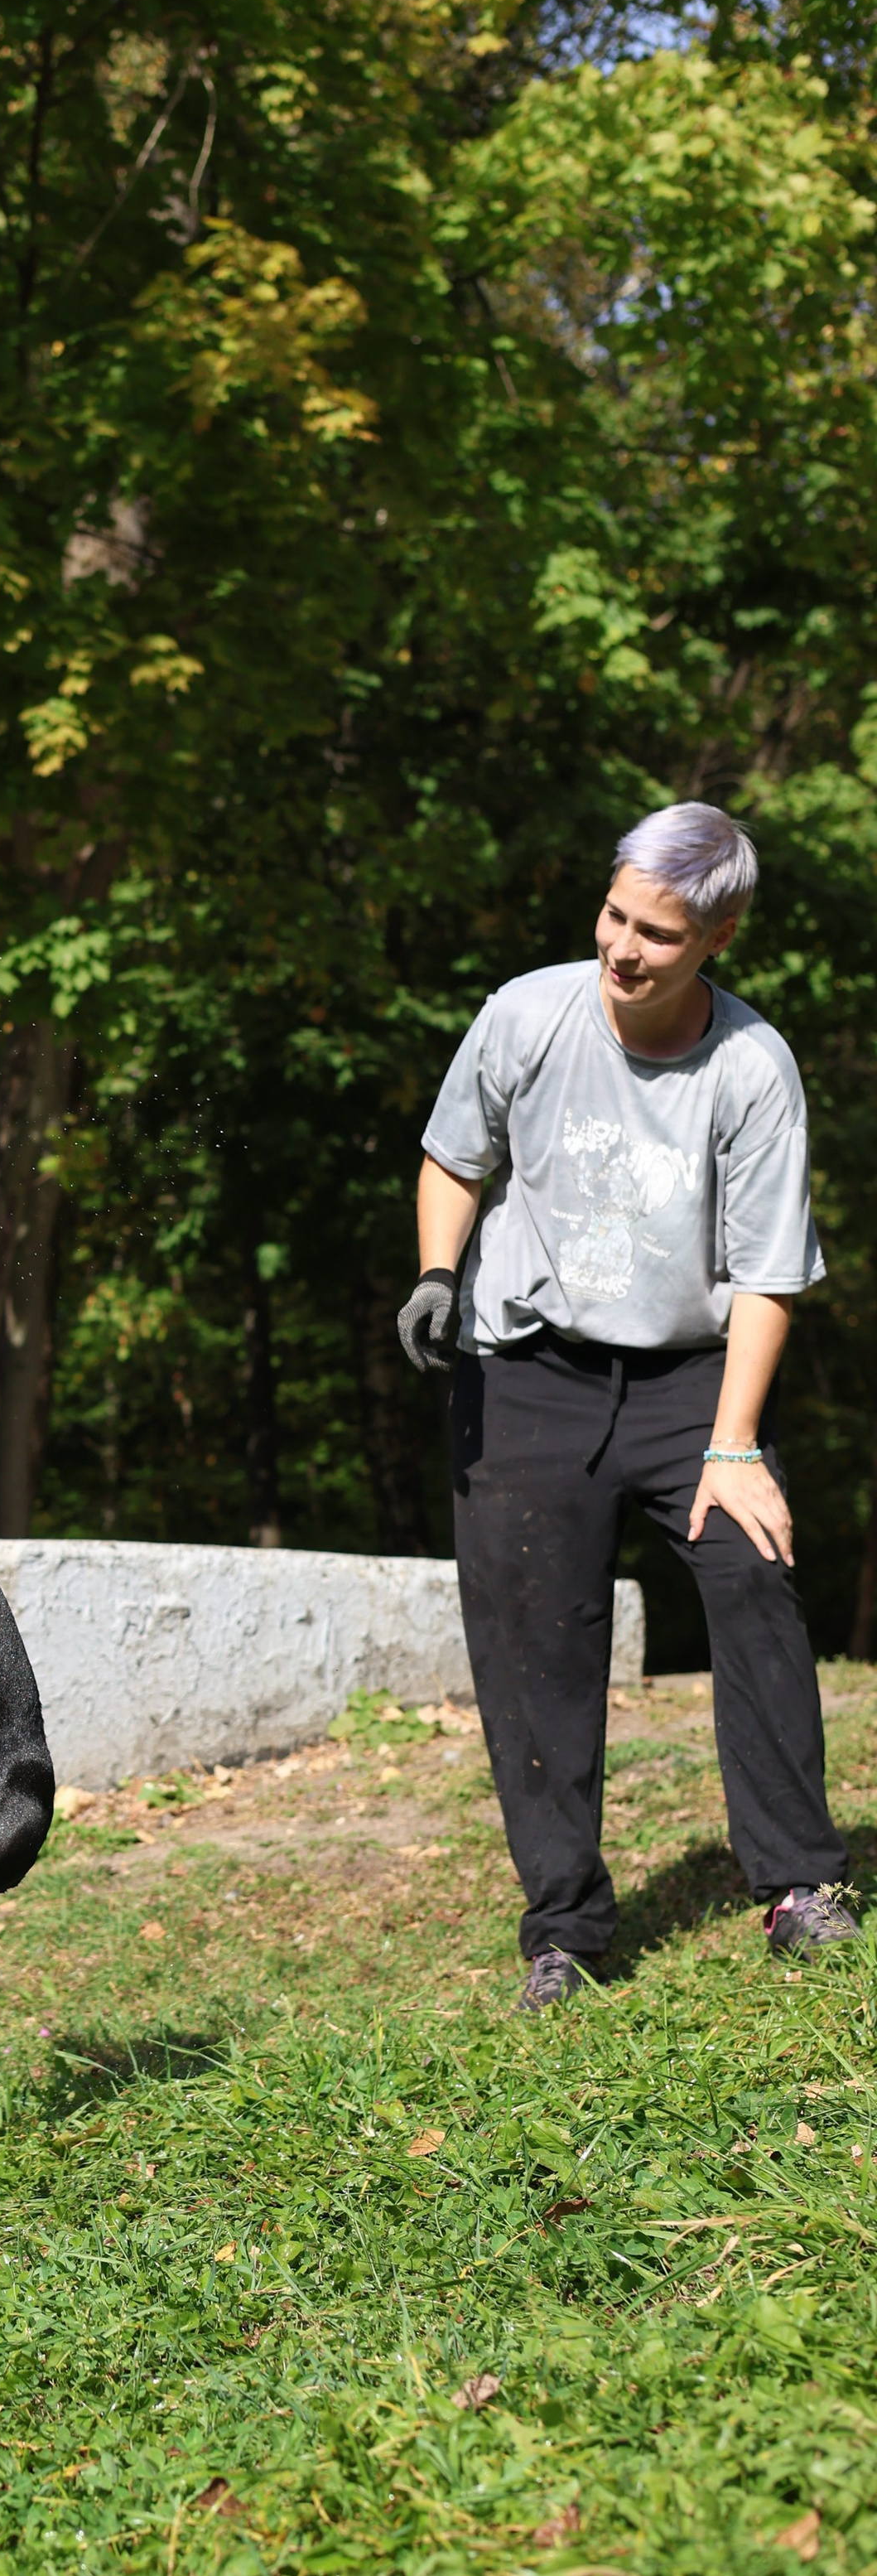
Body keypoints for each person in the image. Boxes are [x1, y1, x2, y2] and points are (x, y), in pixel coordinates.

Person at [398, 803, 858, 2013]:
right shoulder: (526, 1014)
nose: (623, 948)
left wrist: (736, 1444)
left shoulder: (750, 1070)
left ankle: (801, 1883)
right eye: (615, 914)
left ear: (719, 937)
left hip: (689, 1380)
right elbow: (457, 1156)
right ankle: (565, 1929)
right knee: (533, 1640)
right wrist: (439, 1272)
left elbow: (766, 1273)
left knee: (751, 1578)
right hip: (527, 1370)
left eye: (657, 932)